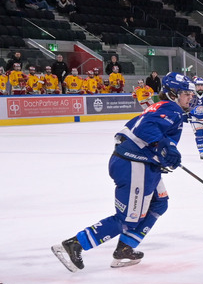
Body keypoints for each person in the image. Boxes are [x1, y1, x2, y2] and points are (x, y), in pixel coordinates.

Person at [51, 72, 195, 271]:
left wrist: (164, 155)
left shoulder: (165, 108)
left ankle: (125, 248)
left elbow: (146, 133)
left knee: (159, 203)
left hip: (140, 163)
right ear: (172, 94)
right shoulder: (172, 109)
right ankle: (75, 244)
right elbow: (146, 129)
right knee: (127, 219)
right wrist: (167, 149)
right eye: (186, 94)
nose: (190, 97)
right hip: (134, 165)